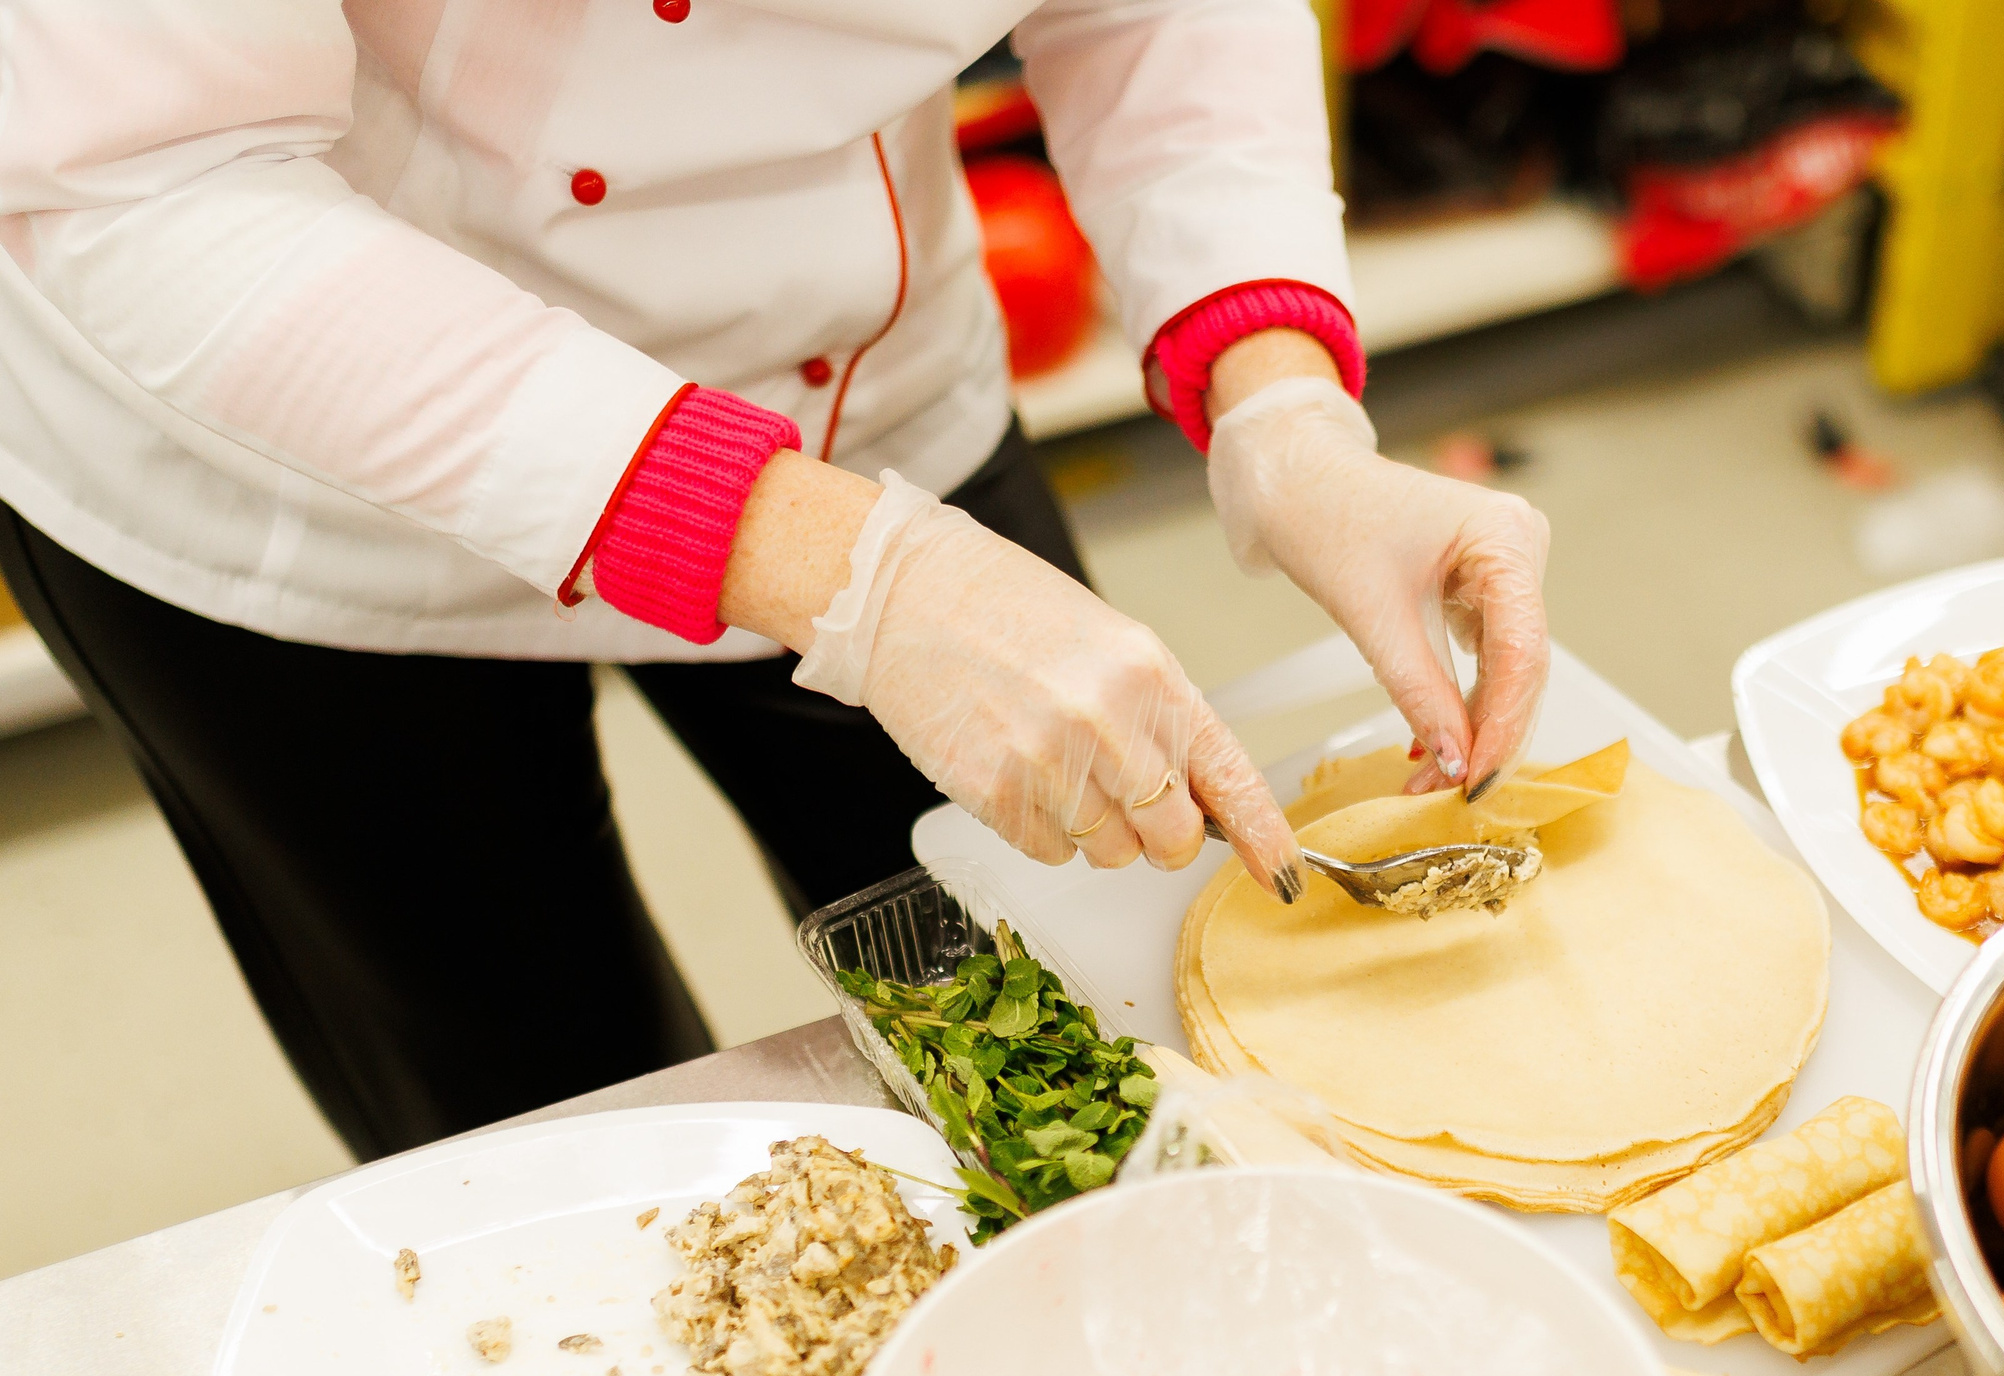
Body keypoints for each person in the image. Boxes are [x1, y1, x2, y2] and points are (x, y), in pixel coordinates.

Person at [0, 1, 1551, 1157]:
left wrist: (1277, 390)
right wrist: (849, 576)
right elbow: (147, 174)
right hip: (292, 454)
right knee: (560, 1120)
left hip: (852, 372)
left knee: (1081, 1047)